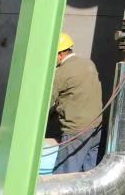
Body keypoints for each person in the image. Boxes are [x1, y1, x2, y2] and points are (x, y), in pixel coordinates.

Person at [50, 33, 104, 174]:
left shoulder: (62, 72)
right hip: (96, 128)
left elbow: (46, 104)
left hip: (76, 131)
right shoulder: (88, 63)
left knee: (65, 175)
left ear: (60, 54)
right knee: (89, 175)